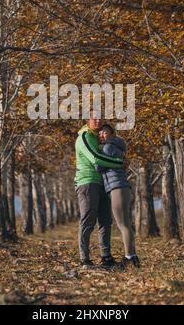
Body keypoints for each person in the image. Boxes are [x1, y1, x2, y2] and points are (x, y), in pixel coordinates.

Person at [75, 113, 124, 267]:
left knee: (105, 221)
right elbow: (95, 158)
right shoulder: (84, 136)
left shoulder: (98, 136)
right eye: (94, 118)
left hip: (102, 182)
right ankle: (84, 259)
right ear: (87, 119)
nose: (98, 120)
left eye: (100, 118)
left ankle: (106, 258)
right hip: (88, 182)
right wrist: (119, 162)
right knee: (88, 220)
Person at [97, 124, 140, 268]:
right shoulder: (118, 147)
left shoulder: (107, 147)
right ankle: (133, 257)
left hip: (117, 188)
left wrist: (96, 153)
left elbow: (99, 166)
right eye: (100, 134)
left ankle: (129, 257)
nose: (101, 135)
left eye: (104, 132)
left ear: (111, 133)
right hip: (123, 188)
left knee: (123, 225)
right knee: (126, 224)